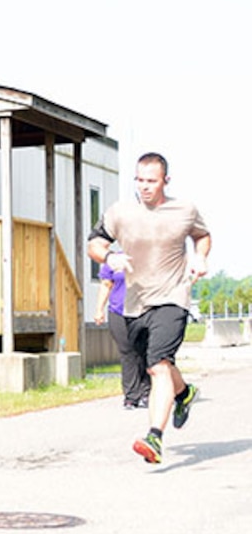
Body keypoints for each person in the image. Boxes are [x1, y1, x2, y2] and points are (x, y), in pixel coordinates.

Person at [87, 152, 211, 464]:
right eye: (139, 180)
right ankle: (184, 393)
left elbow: (202, 236)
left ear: (165, 181)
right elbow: (94, 243)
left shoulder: (184, 210)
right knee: (158, 366)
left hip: (173, 297)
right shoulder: (120, 212)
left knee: (158, 365)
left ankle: (154, 437)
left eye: (151, 181)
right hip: (135, 302)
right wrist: (108, 257)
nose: (144, 187)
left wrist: (200, 257)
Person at [94, 249, 149, 409]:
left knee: (143, 350)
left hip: (142, 310)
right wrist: (99, 310)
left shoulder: (146, 256)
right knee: (126, 352)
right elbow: (106, 285)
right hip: (118, 311)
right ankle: (131, 395)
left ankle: (146, 391)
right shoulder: (113, 259)